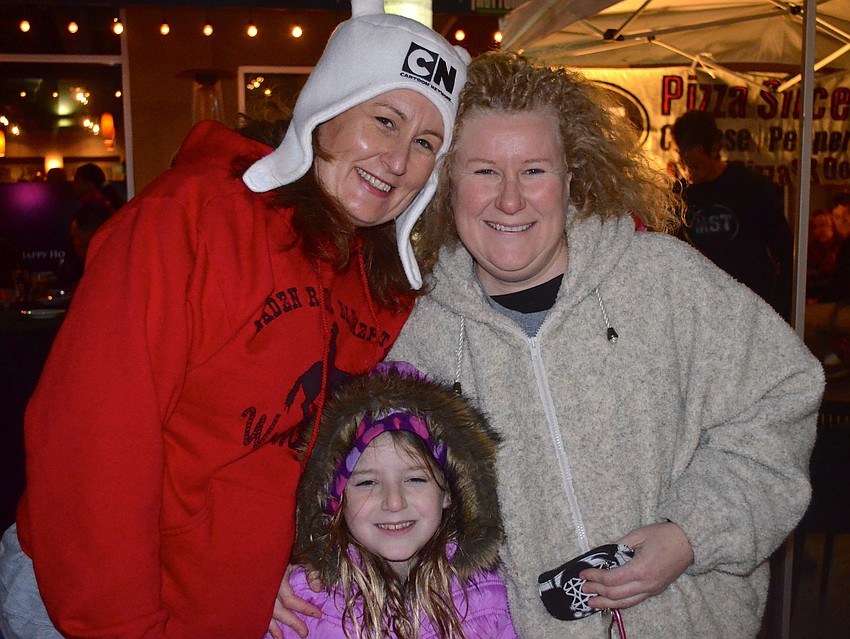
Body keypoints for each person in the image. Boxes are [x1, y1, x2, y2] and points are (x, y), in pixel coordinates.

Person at [0, 1, 470, 637]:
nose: (397, 161)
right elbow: (90, 444)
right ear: (326, 110)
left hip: (233, 610)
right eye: (383, 121)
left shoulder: (371, 280)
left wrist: (293, 557)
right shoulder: (188, 220)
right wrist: (123, 625)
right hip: (93, 606)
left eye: (424, 144)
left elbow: (325, 452)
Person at [383, 52, 822, 638]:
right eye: (484, 171)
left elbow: (782, 397)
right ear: (445, 182)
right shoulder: (416, 332)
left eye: (534, 171)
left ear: (572, 177)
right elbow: (356, 489)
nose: (510, 200)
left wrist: (691, 531)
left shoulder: (662, 281)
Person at [266, 361, 518, 639]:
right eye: (367, 482)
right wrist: (256, 600)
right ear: (336, 499)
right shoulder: (301, 601)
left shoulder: (491, 596)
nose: (394, 502)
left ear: (448, 492)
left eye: (415, 479)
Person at [671, 109, 794, 318]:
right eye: (682, 164)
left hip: (752, 305)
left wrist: (779, 305)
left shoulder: (751, 187)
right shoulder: (678, 196)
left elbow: (784, 251)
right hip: (703, 309)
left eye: (696, 165)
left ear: (715, 150)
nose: (688, 172)